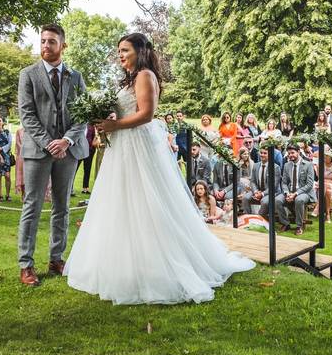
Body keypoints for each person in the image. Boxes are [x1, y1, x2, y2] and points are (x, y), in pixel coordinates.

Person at [65, 32, 254, 304]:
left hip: (138, 147)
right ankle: (126, 264)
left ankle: (162, 264)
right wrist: (108, 119)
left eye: (125, 50)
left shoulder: (144, 76)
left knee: (147, 202)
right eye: (119, 50)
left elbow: (146, 114)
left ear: (139, 51)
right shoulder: (130, 79)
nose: (120, 55)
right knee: (121, 203)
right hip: (122, 147)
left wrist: (116, 125)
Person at [17, 24, 90, 287]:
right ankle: (26, 264)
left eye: (51, 42)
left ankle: (56, 258)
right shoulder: (28, 75)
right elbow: (27, 115)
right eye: (43, 41)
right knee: (32, 206)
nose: (45, 46)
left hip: (68, 151)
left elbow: (83, 113)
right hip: (38, 151)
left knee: (62, 207)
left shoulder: (75, 76)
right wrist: (50, 143)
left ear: (63, 45)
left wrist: (67, 140)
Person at [279, 144, 316, 235]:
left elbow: (309, 184)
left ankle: (299, 226)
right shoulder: (287, 165)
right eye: (289, 153)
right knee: (277, 200)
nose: (290, 155)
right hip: (290, 191)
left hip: (304, 192)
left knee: (299, 200)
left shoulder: (308, 164)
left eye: (293, 153)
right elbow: (284, 182)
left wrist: (295, 194)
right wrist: (287, 193)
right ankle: (285, 223)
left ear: (298, 152)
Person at [243, 148, 284, 217]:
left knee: (264, 202)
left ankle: (260, 219)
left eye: (265, 153)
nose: (262, 155)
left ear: (270, 155)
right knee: (245, 198)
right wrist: (255, 191)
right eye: (261, 153)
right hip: (258, 190)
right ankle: (248, 217)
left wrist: (262, 194)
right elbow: (252, 181)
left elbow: (274, 186)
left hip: (272, 192)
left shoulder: (275, 167)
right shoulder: (256, 165)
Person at [320, 151, 332, 222]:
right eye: (324, 156)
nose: (325, 158)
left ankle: (327, 213)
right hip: (321, 184)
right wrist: (328, 181)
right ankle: (324, 212)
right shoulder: (321, 164)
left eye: (327, 157)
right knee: (325, 188)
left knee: (328, 190)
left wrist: (328, 181)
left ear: (331, 158)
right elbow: (320, 178)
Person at [81, 121, 97, 194]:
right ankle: (70, 188)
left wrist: (92, 148)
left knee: (87, 169)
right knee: (74, 169)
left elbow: (94, 137)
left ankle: (85, 188)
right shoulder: (80, 124)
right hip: (80, 150)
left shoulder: (91, 126)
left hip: (89, 151)